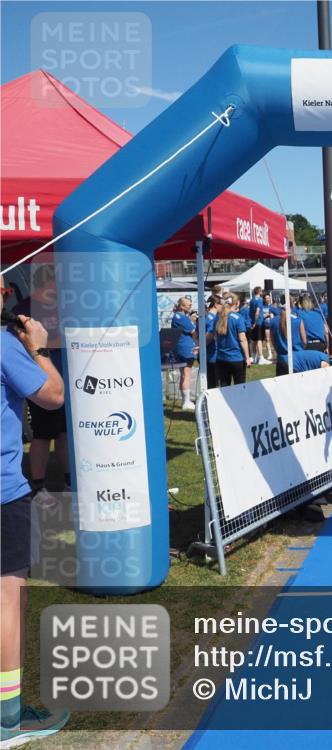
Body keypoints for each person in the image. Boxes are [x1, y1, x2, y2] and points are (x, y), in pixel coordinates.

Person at [1, 289, 71, 746]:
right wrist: (39, 349)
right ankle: (7, 720)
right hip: (2, 492)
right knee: (7, 599)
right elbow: (54, 395)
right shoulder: (6, 344)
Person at [11, 266, 69, 504]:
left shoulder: (64, 305)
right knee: (43, 435)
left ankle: (68, 482)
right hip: (39, 383)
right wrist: (50, 343)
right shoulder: (23, 310)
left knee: (64, 432)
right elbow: (20, 342)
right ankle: (38, 486)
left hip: (65, 380)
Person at [213, 297, 251, 386]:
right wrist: (247, 357)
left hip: (221, 358)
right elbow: (242, 339)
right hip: (236, 358)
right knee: (240, 387)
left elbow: (215, 336)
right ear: (235, 304)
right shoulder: (237, 317)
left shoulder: (217, 318)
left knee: (224, 387)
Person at [171, 296, 198, 409]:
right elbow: (194, 332)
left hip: (180, 347)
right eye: (189, 305)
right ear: (182, 306)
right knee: (186, 374)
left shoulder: (178, 317)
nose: (191, 306)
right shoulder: (182, 318)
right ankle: (186, 402)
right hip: (186, 348)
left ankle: (185, 401)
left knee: (184, 374)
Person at [270, 304, 308, 376]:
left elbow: (273, 341)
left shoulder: (273, 321)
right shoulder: (298, 320)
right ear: (291, 306)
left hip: (282, 359)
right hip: (297, 359)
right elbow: (304, 341)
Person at [203, 295, 223, 389]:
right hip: (212, 355)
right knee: (214, 384)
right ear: (215, 305)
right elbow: (209, 335)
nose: (222, 307)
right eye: (221, 304)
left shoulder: (207, 316)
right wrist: (202, 347)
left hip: (211, 355)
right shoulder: (212, 318)